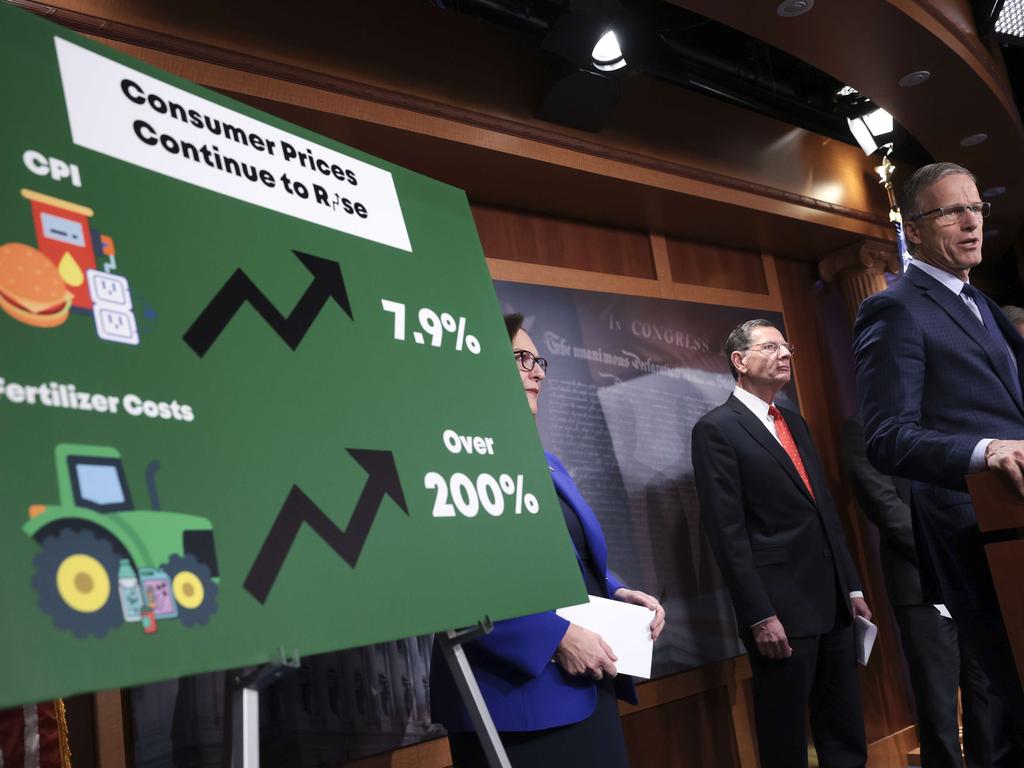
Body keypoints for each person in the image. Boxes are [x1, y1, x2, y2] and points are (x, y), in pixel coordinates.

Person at [429, 313, 665, 768]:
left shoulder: (546, 461)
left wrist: (616, 590)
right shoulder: (443, 455)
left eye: (539, 361)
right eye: (521, 358)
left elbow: (570, 555)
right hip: (517, 700)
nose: (537, 371)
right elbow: (450, 573)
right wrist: (555, 636)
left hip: (588, 681)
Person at [853, 162, 1024, 764]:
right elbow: (887, 437)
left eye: (976, 207)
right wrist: (986, 452)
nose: (971, 221)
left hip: (1014, 528)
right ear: (915, 231)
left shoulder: (982, 303)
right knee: (1003, 713)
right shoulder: (895, 309)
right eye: (950, 210)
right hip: (976, 536)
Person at [692, 319, 870, 768]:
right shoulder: (717, 429)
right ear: (739, 361)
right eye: (771, 348)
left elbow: (824, 509)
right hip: (780, 613)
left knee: (845, 730)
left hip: (833, 603)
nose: (785, 354)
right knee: (785, 736)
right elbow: (726, 532)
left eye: (786, 347)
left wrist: (852, 586)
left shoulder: (793, 421)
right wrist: (758, 615)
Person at [841, 417, 996, 768]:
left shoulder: (945, 413)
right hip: (918, 582)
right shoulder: (864, 426)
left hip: (971, 573)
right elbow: (882, 503)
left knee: (985, 695)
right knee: (937, 702)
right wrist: (938, 552)